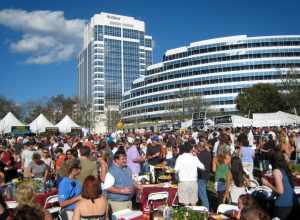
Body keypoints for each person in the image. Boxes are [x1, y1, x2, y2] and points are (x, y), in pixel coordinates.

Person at [261, 150, 294, 220]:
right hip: (289, 203)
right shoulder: (285, 168)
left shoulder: (276, 171)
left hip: (282, 204)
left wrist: (267, 183)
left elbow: (280, 191)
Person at [196, 139, 211, 210]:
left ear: (199, 147)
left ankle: (206, 210)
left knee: (203, 195)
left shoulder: (201, 155)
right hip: (206, 176)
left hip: (201, 176)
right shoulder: (208, 153)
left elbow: (199, 166)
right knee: (202, 193)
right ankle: (204, 208)